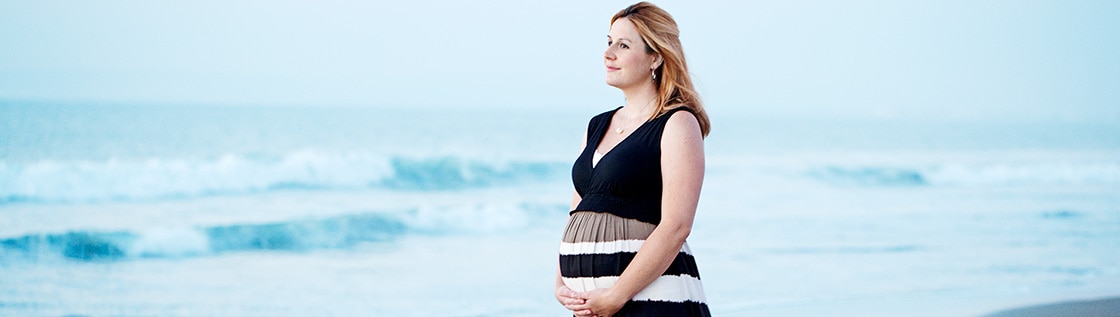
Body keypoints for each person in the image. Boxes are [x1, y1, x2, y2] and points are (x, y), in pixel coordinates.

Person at [554, 2, 712, 317]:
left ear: (656, 57)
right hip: (594, 305)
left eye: (623, 45)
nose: (608, 53)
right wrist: (561, 283)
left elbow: (677, 225)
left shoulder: (677, 123)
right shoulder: (597, 125)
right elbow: (577, 212)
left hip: (652, 298)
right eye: (609, 41)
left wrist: (617, 295)